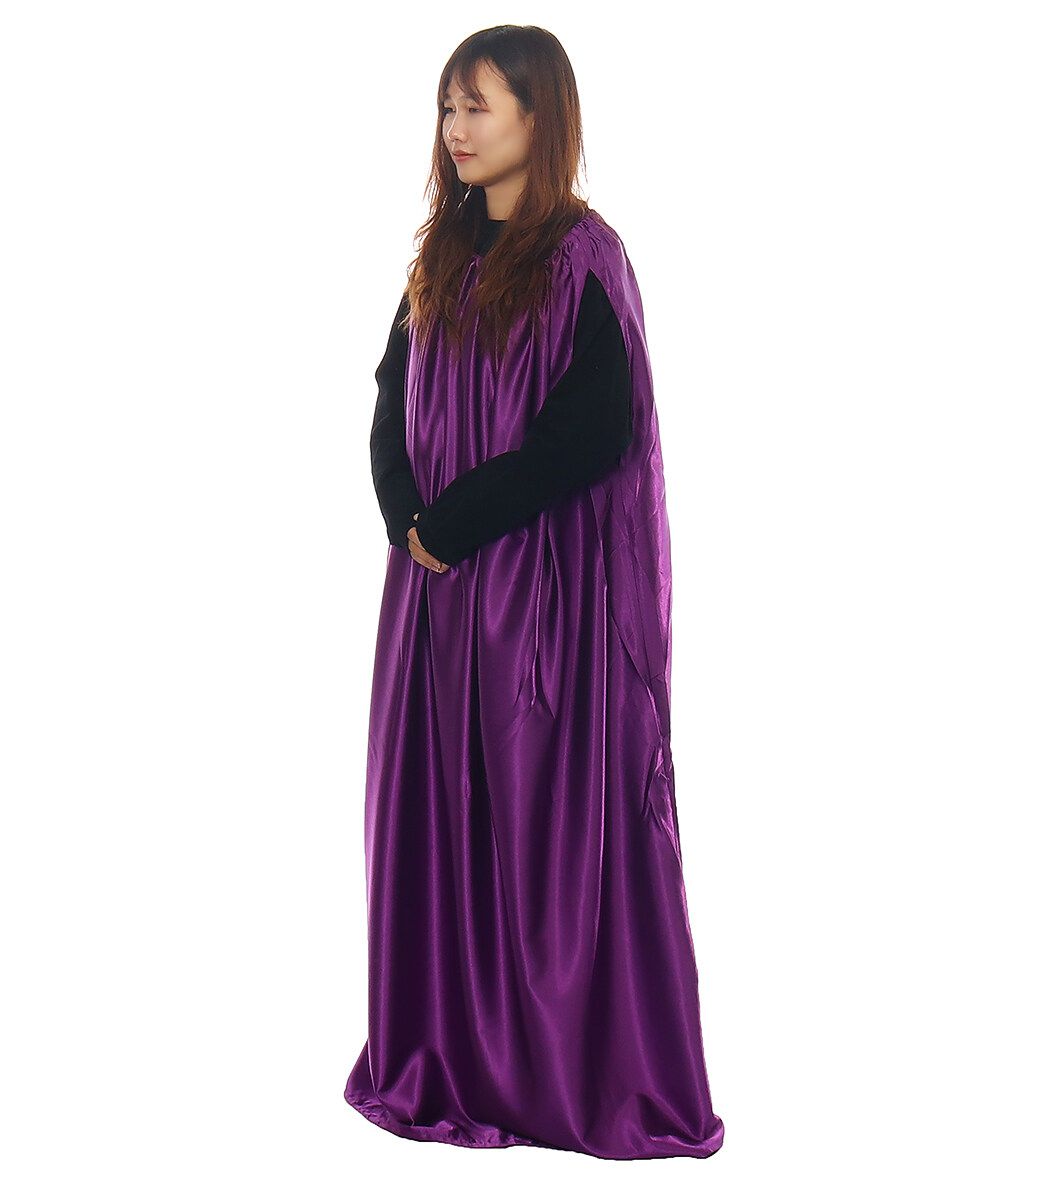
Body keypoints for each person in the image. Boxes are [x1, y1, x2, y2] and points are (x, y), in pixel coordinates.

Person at [344, 25, 725, 1160]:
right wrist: (406, 517)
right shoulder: (442, 250)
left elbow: (593, 433)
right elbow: (389, 394)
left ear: (537, 116)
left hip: (536, 599)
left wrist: (457, 521)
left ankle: (560, 1075)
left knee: (538, 826)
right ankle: (447, 1057)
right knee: (437, 817)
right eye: (448, 107)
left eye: (479, 107)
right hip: (432, 600)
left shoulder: (582, 259)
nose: (456, 129)